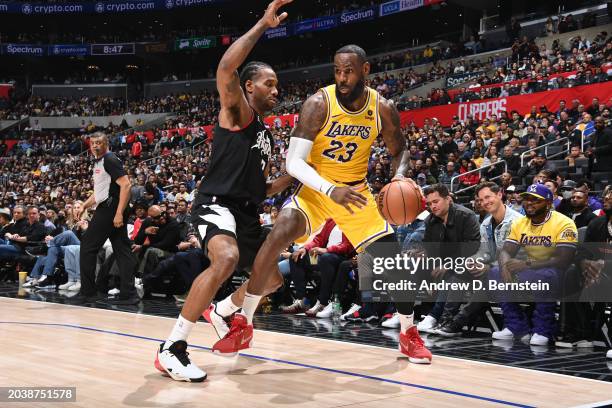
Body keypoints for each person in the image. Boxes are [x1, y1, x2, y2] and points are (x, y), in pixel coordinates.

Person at [212, 44, 432, 364]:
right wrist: (330, 189)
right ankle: (243, 323)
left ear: (365, 71)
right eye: (338, 71)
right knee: (274, 240)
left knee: (393, 260)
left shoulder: (382, 107)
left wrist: (399, 177)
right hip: (317, 191)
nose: (342, 78)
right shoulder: (318, 103)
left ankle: (409, 335)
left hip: (355, 193)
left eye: (349, 71)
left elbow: (400, 150)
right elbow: (293, 163)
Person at [155, 0, 294, 383]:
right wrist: (263, 25)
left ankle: (221, 310)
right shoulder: (238, 111)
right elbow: (225, 67)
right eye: (270, 83)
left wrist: (295, 177)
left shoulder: (265, 134)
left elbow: (261, 188)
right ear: (249, 87)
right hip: (216, 205)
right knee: (226, 258)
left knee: (271, 278)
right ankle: (173, 347)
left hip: (246, 210)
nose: (276, 90)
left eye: (278, 86)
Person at [490, 184, 577, 345]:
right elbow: (505, 251)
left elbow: (563, 259)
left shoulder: (564, 223)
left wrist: (527, 264)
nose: (529, 203)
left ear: (549, 203)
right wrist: (504, 267)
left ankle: (543, 329)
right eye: (527, 199)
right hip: (531, 269)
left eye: (536, 200)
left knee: (545, 276)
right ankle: (516, 326)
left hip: (557, 271)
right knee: (495, 272)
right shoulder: (520, 223)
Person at [70, 132, 138, 305]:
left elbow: (126, 185)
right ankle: (129, 294)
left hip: (110, 209)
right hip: (109, 206)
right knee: (122, 250)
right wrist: (85, 205)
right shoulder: (99, 162)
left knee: (87, 247)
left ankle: (88, 292)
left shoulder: (110, 159)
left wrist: (118, 212)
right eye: (92, 143)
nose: (95, 145)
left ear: (106, 143)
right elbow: (100, 192)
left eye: (99, 142)